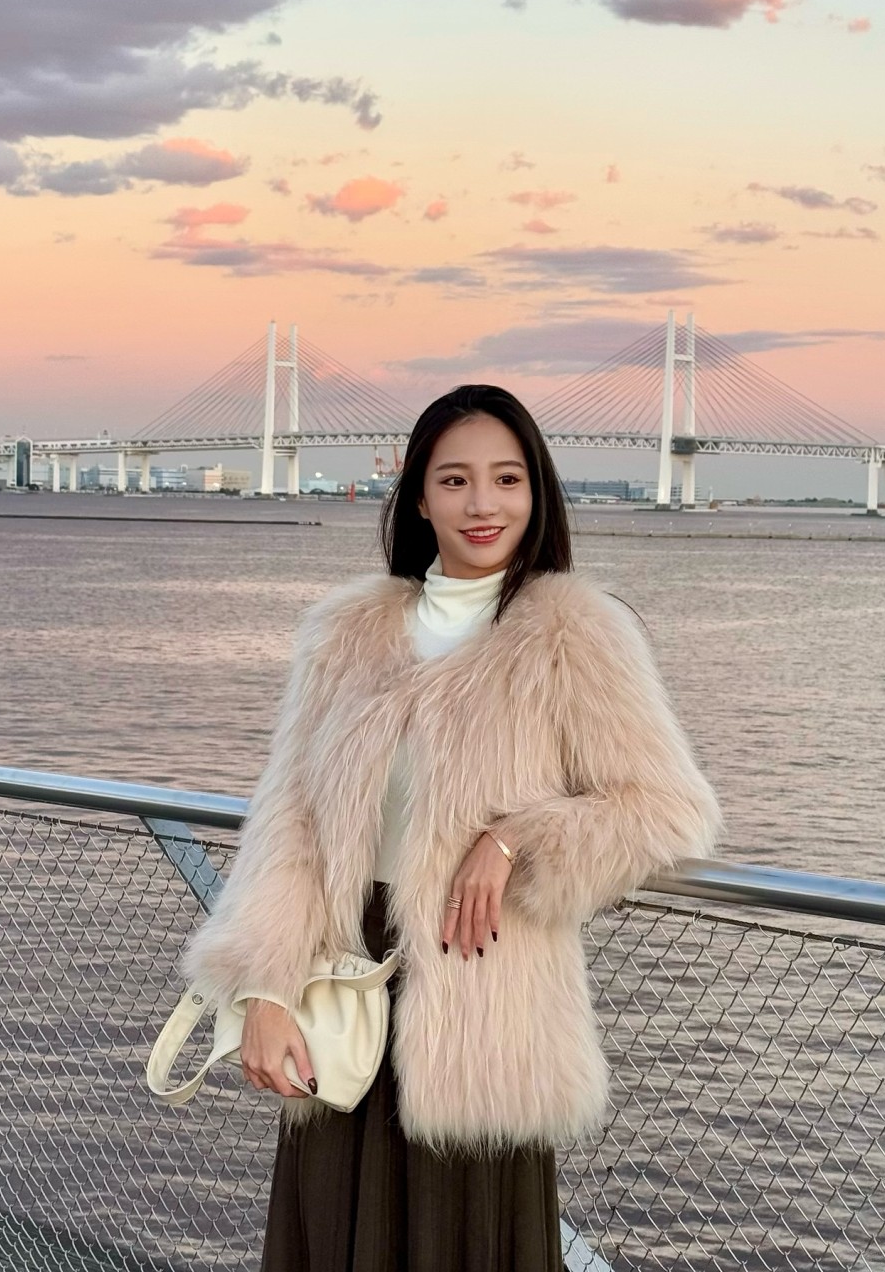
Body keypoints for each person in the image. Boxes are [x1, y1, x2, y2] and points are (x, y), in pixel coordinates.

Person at [182, 384, 723, 1271]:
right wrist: (263, 994)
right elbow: (291, 826)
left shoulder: (574, 633)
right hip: (345, 990)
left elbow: (666, 809)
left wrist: (513, 840)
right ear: (419, 498)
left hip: (483, 1000)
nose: (482, 504)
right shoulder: (346, 634)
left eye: (507, 479)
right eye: (455, 479)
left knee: (466, 1240)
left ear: (536, 494)